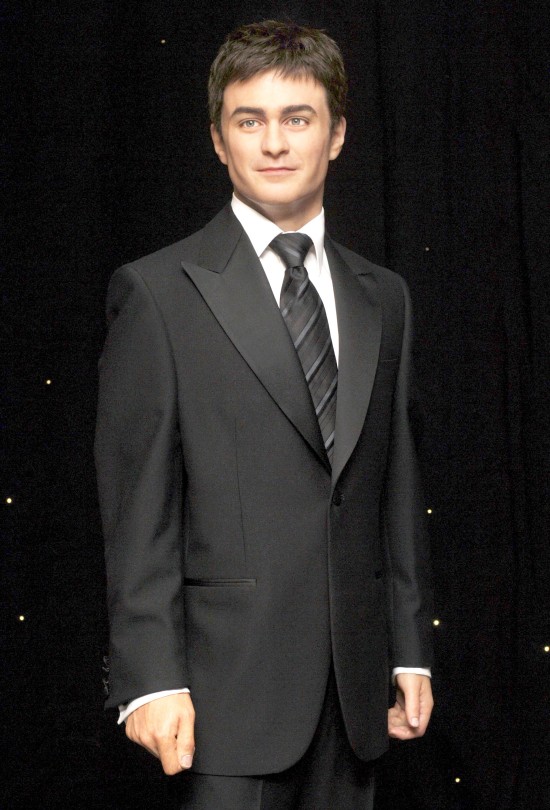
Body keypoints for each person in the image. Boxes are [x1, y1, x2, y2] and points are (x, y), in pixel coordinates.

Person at [95, 19, 434, 810]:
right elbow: (138, 508)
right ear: (219, 140)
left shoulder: (384, 298)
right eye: (249, 121)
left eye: (297, 118)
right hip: (222, 698)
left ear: (337, 134)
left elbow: (393, 483)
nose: (274, 143)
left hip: (356, 696)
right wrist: (150, 680)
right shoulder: (158, 293)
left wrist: (409, 649)